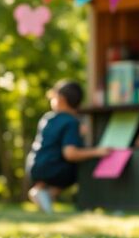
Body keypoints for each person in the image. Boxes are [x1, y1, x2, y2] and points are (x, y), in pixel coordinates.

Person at [26, 80, 112, 213]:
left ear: (60, 99)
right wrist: (97, 152)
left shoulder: (47, 118)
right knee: (79, 165)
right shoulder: (71, 122)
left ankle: (40, 191)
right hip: (54, 169)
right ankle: (48, 195)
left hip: (34, 165)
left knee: (52, 163)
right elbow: (70, 154)